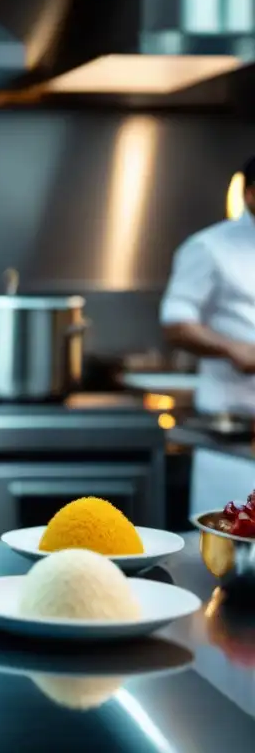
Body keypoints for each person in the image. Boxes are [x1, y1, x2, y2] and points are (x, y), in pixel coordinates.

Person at [161, 155, 255, 514]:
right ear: (249, 194)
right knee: (225, 549)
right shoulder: (209, 247)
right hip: (230, 437)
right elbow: (175, 322)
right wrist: (235, 349)